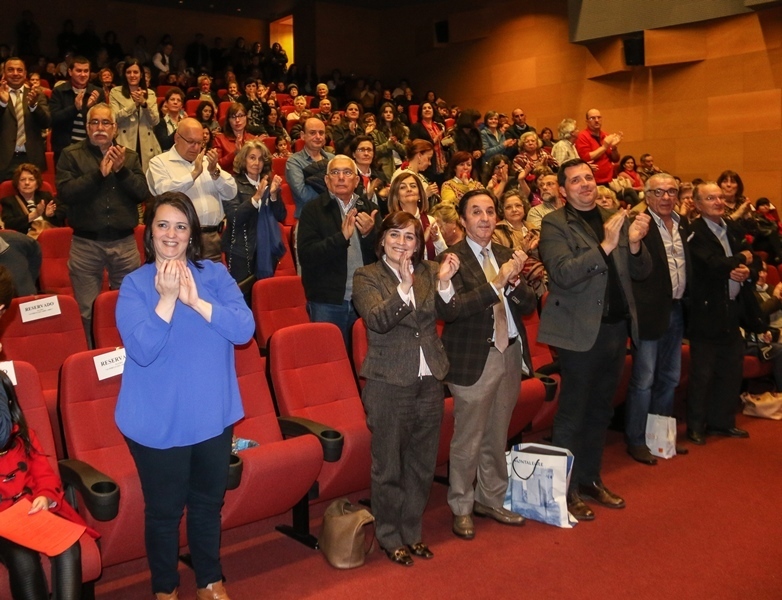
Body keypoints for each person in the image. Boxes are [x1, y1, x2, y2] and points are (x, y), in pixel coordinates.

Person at [116, 192, 254, 600]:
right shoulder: (134, 285)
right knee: (164, 512)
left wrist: (195, 300)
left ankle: (209, 579)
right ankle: (166, 589)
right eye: (163, 225)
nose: (172, 234)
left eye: (181, 226)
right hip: (157, 420)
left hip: (212, 414)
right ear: (149, 233)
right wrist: (167, 299)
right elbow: (142, 349)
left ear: (192, 232)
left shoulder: (215, 275)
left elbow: (244, 330)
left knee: (208, 504)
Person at [538, 158, 652, 521]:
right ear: (563, 190)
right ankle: (565, 489)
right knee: (574, 412)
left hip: (616, 329)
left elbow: (642, 271)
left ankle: (590, 479)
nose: (585, 184)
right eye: (576, 180)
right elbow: (563, 273)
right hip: (579, 332)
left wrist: (635, 245)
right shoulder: (554, 223)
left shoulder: (613, 217)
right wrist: (605, 245)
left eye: (588, 177)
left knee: (602, 409)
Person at [352, 211, 460, 566]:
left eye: (410, 236)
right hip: (388, 382)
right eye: (395, 235)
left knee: (422, 463)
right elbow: (377, 320)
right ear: (382, 239)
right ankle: (389, 535)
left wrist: (445, 283)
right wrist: (404, 286)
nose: (402, 243)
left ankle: (412, 532)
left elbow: (449, 312)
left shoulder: (429, 270)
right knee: (389, 466)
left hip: (430, 379)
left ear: (418, 243)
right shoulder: (367, 276)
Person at [441, 189, 536, 540]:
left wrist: (514, 282)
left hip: (509, 352)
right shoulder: (451, 258)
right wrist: (496, 283)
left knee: (497, 434)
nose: (484, 218)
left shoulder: (505, 253)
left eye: (490, 211)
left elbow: (529, 305)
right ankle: (461, 507)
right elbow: (452, 309)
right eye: (476, 212)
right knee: (468, 439)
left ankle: (490, 499)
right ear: (463, 220)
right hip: (473, 358)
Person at [0, 370, 98, 600]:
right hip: (3, 523)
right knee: (23, 560)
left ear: (9, 403)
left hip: (32, 513)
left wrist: (44, 497)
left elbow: (45, 476)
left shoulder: (25, 436)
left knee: (69, 547)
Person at [56, 103, 149, 336]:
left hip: (125, 244)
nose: (100, 127)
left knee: (129, 306)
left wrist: (122, 171)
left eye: (106, 122)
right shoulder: (71, 155)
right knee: (87, 311)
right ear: (87, 127)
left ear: (115, 128)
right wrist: (98, 175)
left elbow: (142, 193)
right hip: (85, 244)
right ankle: (93, 354)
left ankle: (126, 351)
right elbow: (66, 194)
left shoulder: (128, 156)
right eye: (95, 122)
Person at [686, 181, 760, 445]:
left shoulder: (731, 227)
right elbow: (712, 265)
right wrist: (740, 260)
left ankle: (722, 422)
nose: (718, 202)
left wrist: (748, 271)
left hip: (733, 309)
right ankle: (696, 426)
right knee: (702, 374)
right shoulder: (694, 232)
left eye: (719, 197)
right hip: (706, 312)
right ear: (697, 204)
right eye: (710, 198)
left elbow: (754, 258)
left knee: (730, 370)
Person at [624, 174, 691, 465]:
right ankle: (636, 440)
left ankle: (660, 437)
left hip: (677, 308)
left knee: (670, 376)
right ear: (647, 195)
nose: (666, 197)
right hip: (648, 312)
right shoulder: (639, 224)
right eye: (659, 192)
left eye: (671, 191)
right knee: (645, 379)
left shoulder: (682, 224)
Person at [297, 155, 380, 347]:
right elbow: (307, 256)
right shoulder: (312, 210)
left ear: (357, 180)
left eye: (347, 172)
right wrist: (341, 238)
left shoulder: (370, 209)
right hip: (327, 301)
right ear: (327, 180)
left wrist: (370, 234)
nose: (341, 177)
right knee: (328, 355)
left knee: (363, 358)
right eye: (335, 172)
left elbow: (382, 256)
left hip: (366, 298)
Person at [147, 118, 238, 263]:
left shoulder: (207, 162)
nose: (196, 148)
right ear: (177, 138)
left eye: (200, 143)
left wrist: (215, 172)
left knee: (213, 277)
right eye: (191, 142)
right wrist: (194, 174)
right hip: (178, 238)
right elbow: (163, 192)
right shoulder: (159, 163)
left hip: (212, 238)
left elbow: (231, 192)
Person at [223, 140, 286, 285]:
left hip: (266, 249)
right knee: (244, 294)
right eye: (252, 158)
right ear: (243, 159)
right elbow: (234, 217)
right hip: (241, 250)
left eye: (261, 159)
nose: (257, 163)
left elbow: (281, 216)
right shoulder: (232, 183)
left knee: (263, 293)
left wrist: (274, 195)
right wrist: (256, 197)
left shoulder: (269, 184)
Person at [0, 58, 50, 180]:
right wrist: (2, 104)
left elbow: (47, 122)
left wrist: (34, 106)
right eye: (10, 70)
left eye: (19, 70)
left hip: (31, 158)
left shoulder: (36, 94)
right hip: (3, 160)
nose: (15, 73)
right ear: (4, 73)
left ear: (25, 73)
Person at [110, 59, 161, 171]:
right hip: (124, 142)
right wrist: (134, 105)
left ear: (141, 74)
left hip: (147, 144)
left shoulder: (150, 94)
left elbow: (155, 121)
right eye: (129, 72)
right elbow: (114, 118)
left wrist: (144, 104)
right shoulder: (115, 92)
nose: (132, 75)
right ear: (124, 74)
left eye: (136, 72)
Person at [48, 55, 101, 160]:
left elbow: (102, 123)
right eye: (79, 71)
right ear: (70, 72)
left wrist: (88, 109)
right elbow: (53, 119)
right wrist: (75, 108)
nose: (83, 74)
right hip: (64, 149)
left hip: (91, 149)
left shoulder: (98, 92)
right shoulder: (59, 91)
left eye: (86, 71)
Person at [387, 171, 447, 259]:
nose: (409, 189)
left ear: (420, 194)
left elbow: (444, 256)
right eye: (403, 187)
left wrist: (436, 240)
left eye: (413, 186)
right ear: (397, 196)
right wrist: (422, 241)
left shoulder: (430, 221)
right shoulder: (390, 223)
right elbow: (392, 257)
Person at [285, 117, 334, 218]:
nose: (318, 137)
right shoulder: (294, 162)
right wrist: (333, 194)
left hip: (333, 216)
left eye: (321, 133)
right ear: (303, 135)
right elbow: (303, 194)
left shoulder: (332, 159)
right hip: (308, 218)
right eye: (312, 133)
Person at [0, 163, 62, 235]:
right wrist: (35, 214)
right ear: (17, 184)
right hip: (25, 238)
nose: (27, 183)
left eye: (31, 179)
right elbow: (8, 224)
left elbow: (63, 210)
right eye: (22, 180)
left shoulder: (45, 196)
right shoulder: (9, 201)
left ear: (37, 184)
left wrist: (51, 215)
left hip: (48, 235)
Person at [575, 109, 622, 187]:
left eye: (599, 117)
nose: (597, 120)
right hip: (593, 181)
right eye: (592, 118)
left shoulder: (606, 135)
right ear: (587, 121)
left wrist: (614, 148)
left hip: (609, 180)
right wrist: (605, 146)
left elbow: (615, 159)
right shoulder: (582, 136)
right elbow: (586, 157)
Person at [212, 103, 259, 175]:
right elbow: (216, 166)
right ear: (228, 120)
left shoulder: (253, 139)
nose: (237, 120)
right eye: (233, 117)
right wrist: (235, 153)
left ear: (246, 117)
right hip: (228, 178)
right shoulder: (219, 139)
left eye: (240, 116)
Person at [154, 87, 186, 152]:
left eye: (178, 100)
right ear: (166, 103)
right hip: (167, 155)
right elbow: (165, 144)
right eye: (172, 99)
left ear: (181, 105)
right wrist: (180, 128)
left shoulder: (186, 122)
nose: (175, 102)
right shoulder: (160, 122)